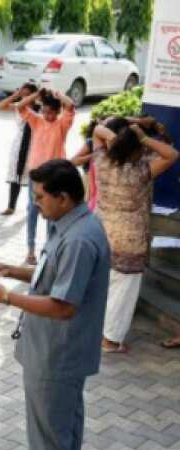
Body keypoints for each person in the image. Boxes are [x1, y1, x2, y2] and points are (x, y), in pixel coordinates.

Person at [0, 159, 111, 450]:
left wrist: (6, 297)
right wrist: (10, 270)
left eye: (40, 197)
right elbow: (54, 274)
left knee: (50, 443)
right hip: (56, 352)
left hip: (56, 356)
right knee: (61, 435)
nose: (35, 204)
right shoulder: (72, 225)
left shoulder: (78, 240)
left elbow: (63, 306)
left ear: (63, 198)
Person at [92, 117, 179, 353]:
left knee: (106, 285)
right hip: (129, 242)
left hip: (103, 234)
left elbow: (98, 129)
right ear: (137, 150)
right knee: (123, 292)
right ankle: (110, 341)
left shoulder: (102, 162)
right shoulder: (140, 172)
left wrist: (119, 137)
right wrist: (143, 135)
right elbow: (172, 154)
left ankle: (98, 330)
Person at [17, 87, 76, 265]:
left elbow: (70, 105)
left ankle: (50, 249)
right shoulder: (37, 121)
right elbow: (20, 106)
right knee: (32, 210)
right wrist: (36, 95)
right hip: (36, 174)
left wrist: (58, 94)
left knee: (52, 213)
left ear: (58, 112)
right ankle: (30, 249)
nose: (47, 115)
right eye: (44, 111)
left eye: (51, 112)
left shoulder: (62, 124)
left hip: (54, 175)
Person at [0, 82, 39, 215]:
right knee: (16, 173)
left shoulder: (39, 109)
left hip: (35, 144)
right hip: (19, 143)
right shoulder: (19, 107)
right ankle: (11, 206)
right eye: (23, 94)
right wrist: (15, 95)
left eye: (28, 95)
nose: (25, 97)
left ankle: (34, 206)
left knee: (34, 175)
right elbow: (0, 106)